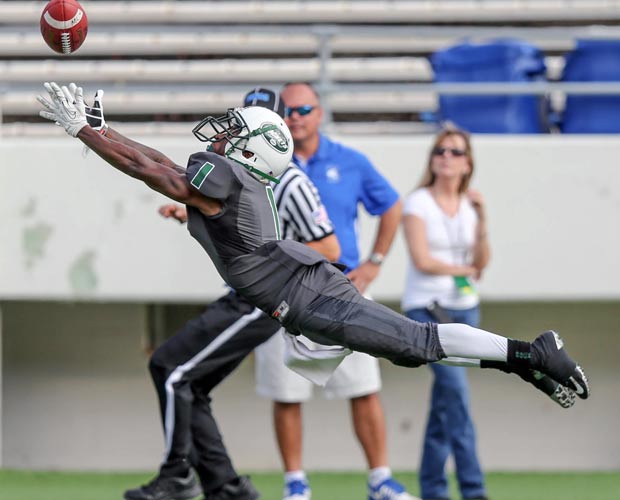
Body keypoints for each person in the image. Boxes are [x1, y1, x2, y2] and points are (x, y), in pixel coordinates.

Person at [37, 82, 590, 497]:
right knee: (412, 348)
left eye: (236, 131)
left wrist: (86, 133)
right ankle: (527, 359)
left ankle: (531, 354)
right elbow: (158, 164)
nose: (222, 134)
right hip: (303, 294)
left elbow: (152, 172)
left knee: (415, 344)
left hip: (310, 298)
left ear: (252, 149)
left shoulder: (228, 181)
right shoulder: (232, 178)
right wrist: (102, 129)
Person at [78, 85, 340, 500]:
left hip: (262, 298)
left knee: (173, 369)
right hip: (244, 293)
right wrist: (102, 131)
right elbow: (167, 168)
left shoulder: (290, 181)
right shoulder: (233, 170)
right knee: (184, 379)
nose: (230, 130)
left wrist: (272, 263)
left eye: (244, 123)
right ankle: (225, 486)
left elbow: (330, 248)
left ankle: (178, 476)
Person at [253, 82, 413, 500]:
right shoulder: (262, 161)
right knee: (287, 392)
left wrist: (374, 264)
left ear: (320, 113)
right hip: (279, 292)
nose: (296, 116)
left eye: (305, 109)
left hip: (342, 286)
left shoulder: (350, 161)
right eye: (288, 109)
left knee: (363, 386)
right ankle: (296, 485)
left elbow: (392, 205)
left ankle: (380, 479)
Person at [401, 127, 490, 500]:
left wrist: (482, 219)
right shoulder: (417, 203)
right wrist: (461, 269)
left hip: (466, 309)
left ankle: (433, 491)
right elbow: (422, 260)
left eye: (455, 152)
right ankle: (474, 490)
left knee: (444, 405)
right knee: (457, 396)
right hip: (427, 309)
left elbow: (481, 264)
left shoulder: (470, 206)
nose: (446, 157)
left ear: (467, 162)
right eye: (440, 150)